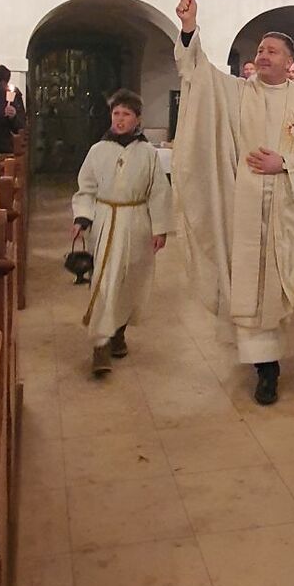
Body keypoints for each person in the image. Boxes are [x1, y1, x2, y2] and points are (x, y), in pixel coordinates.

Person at [174, 0, 294, 405]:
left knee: (274, 288)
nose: (263, 54)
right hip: (242, 208)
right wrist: (188, 27)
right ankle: (265, 369)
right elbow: (198, 73)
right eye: (260, 50)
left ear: (290, 61)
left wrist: (285, 163)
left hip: (286, 210)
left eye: (272, 50)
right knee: (245, 283)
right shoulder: (237, 92)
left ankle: (267, 363)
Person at [72, 90, 173, 374]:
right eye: (116, 113)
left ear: (137, 119)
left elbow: (159, 192)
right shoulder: (98, 150)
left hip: (137, 222)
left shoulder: (148, 153)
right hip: (106, 219)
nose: (119, 119)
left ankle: (118, 332)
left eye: (126, 114)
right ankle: (100, 345)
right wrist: (82, 217)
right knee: (104, 282)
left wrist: (160, 228)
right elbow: (86, 187)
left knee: (130, 282)